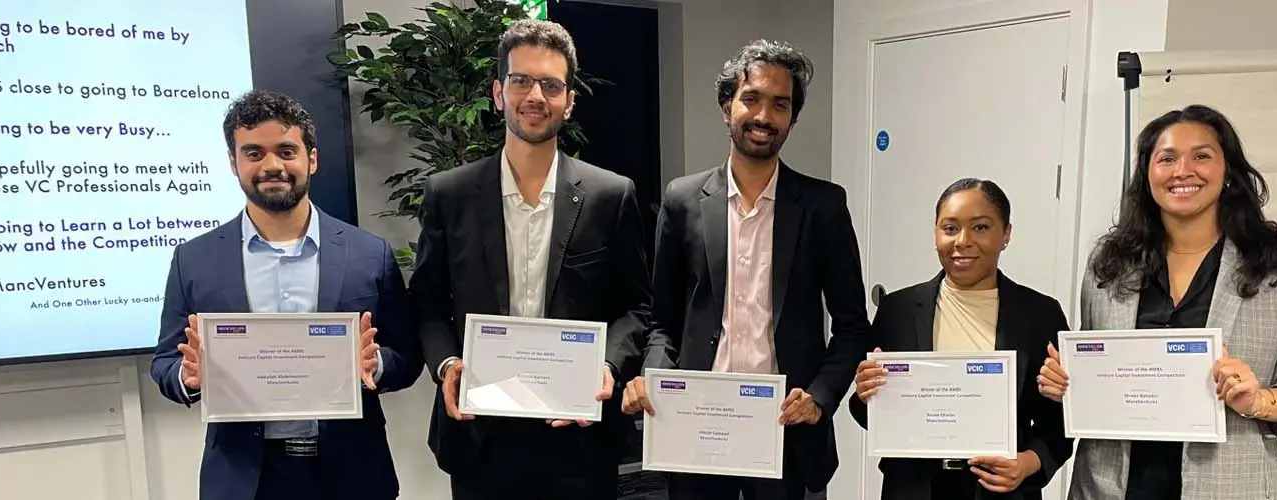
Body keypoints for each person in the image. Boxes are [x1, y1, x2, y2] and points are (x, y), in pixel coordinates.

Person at [1037, 104, 1277, 500]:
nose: (1183, 171)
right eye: (1167, 158)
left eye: (1201, 156)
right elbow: (1098, 373)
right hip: (1108, 487)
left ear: (1227, 171)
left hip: (1229, 487)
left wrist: (1258, 401)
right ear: (1148, 174)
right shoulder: (1109, 267)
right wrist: (1067, 383)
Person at [406, 19, 652, 500]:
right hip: (481, 434)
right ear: (498, 93)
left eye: (551, 84)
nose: (535, 95)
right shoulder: (450, 194)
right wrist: (448, 364)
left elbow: (636, 308)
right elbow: (427, 301)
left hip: (578, 435)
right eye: (521, 80)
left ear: (569, 100)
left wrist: (607, 364)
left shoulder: (610, 196)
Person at [619, 39, 871, 499]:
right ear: (726, 106)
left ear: (792, 119)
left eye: (780, 105)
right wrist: (654, 377)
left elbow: (853, 327)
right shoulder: (681, 199)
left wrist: (819, 396)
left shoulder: (823, 206)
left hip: (784, 430)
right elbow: (663, 323)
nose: (763, 117)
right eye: (751, 99)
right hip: (697, 428)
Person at [150, 89, 422, 500]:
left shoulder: (369, 253)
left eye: (286, 150)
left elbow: (407, 357)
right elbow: (165, 362)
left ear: (311, 158)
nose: (272, 165)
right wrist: (187, 378)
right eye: (254, 153)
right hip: (245, 478)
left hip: (351, 474)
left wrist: (377, 363)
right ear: (234, 162)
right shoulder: (195, 259)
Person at [848, 178, 1074, 500]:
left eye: (980, 228)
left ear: (1006, 234)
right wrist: (865, 394)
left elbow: (1059, 420)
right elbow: (868, 414)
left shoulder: (1040, 314)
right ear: (935, 234)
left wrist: (1027, 463)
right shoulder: (897, 311)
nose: (962, 241)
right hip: (914, 488)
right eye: (950, 228)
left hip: (999, 490)